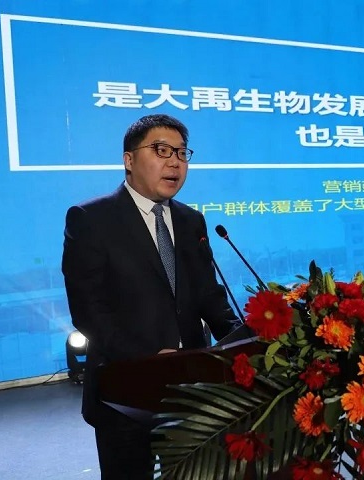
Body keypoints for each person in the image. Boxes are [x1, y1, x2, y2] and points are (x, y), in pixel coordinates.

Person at [62, 114, 242, 479]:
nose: (175, 162)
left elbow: (210, 298)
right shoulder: (90, 219)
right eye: (161, 150)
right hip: (124, 391)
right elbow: (88, 311)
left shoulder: (192, 221)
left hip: (193, 388)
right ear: (129, 160)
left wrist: (246, 340)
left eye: (182, 153)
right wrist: (147, 357)